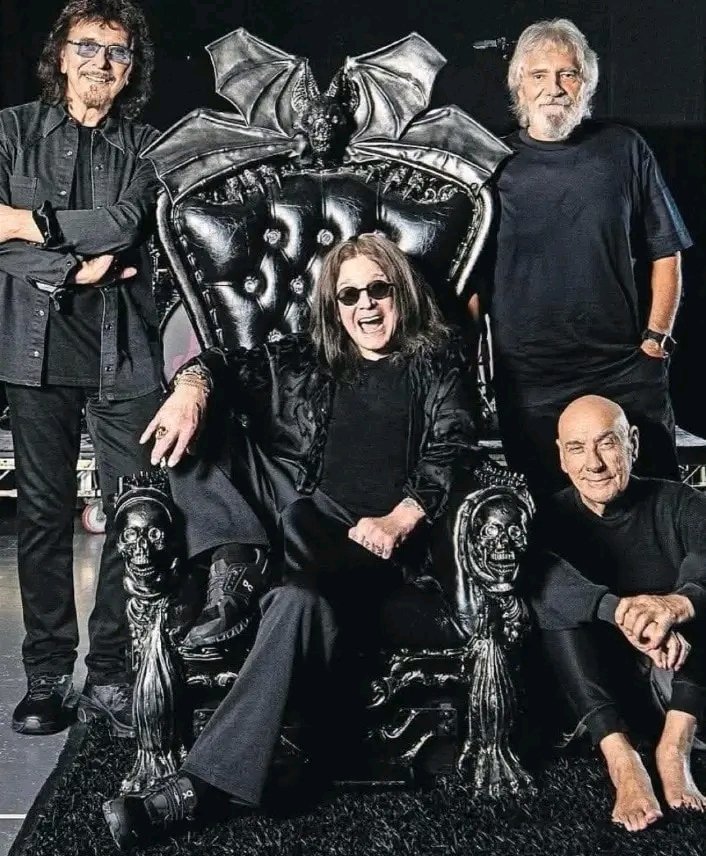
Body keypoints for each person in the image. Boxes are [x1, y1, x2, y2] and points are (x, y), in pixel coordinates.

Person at [102, 233, 478, 850]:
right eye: (349, 295)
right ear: (334, 305)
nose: (365, 305)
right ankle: (234, 571)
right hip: (295, 515)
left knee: (297, 601)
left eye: (378, 290)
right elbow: (223, 363)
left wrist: (400, 518)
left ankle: (195, 791)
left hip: (371, 542)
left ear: (401, 293)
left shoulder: (437, 364)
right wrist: (191, 388)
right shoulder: (307, 358)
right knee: (195, 432)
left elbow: (453, 451)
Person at [0, 0, 162, 736]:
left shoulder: (148, 146)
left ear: (131, 70)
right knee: (41, 516)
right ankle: (45, 677)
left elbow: (127, 223)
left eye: (117, 51)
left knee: (134, 513)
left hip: (123, 352)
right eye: (88, 46)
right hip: (32, 353)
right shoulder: (11, 132)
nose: (101, 62)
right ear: (61, 56)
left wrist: (27, 224)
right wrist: (76, 269)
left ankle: (110, 674)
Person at [472, 18, 692, 497]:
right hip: (531, 378)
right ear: (519, 85)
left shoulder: (624, 149)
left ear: (586, 84)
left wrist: (656, 341)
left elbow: (667, 250)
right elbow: (474, 281)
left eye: (567, 74)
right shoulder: (491, 163)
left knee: (656, 503)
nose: (553, 87)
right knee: (549, 516)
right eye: (539, 75)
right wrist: (467, 365)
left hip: (624, 367)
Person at [526, 394, 706, 832]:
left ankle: (674, 749)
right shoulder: (546, 517)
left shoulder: (680, 502)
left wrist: (675, 606)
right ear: (562, 457)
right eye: (577, 448)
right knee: (554, 602)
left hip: (681, 682)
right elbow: (543, 585)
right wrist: (622, 612)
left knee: (700, 597)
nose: (594, 463)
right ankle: (622, 760)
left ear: (633, 443)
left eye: (607, 443)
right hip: (597, 686)